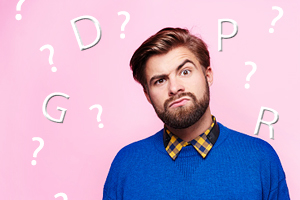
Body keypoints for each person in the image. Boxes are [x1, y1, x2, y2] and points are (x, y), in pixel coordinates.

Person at [103, 27, 290, 199]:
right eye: (160, 81)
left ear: (208, 75)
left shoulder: (260, 158)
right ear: (147, 95)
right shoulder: (126, 166)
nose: (175, 88)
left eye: (185, 72)